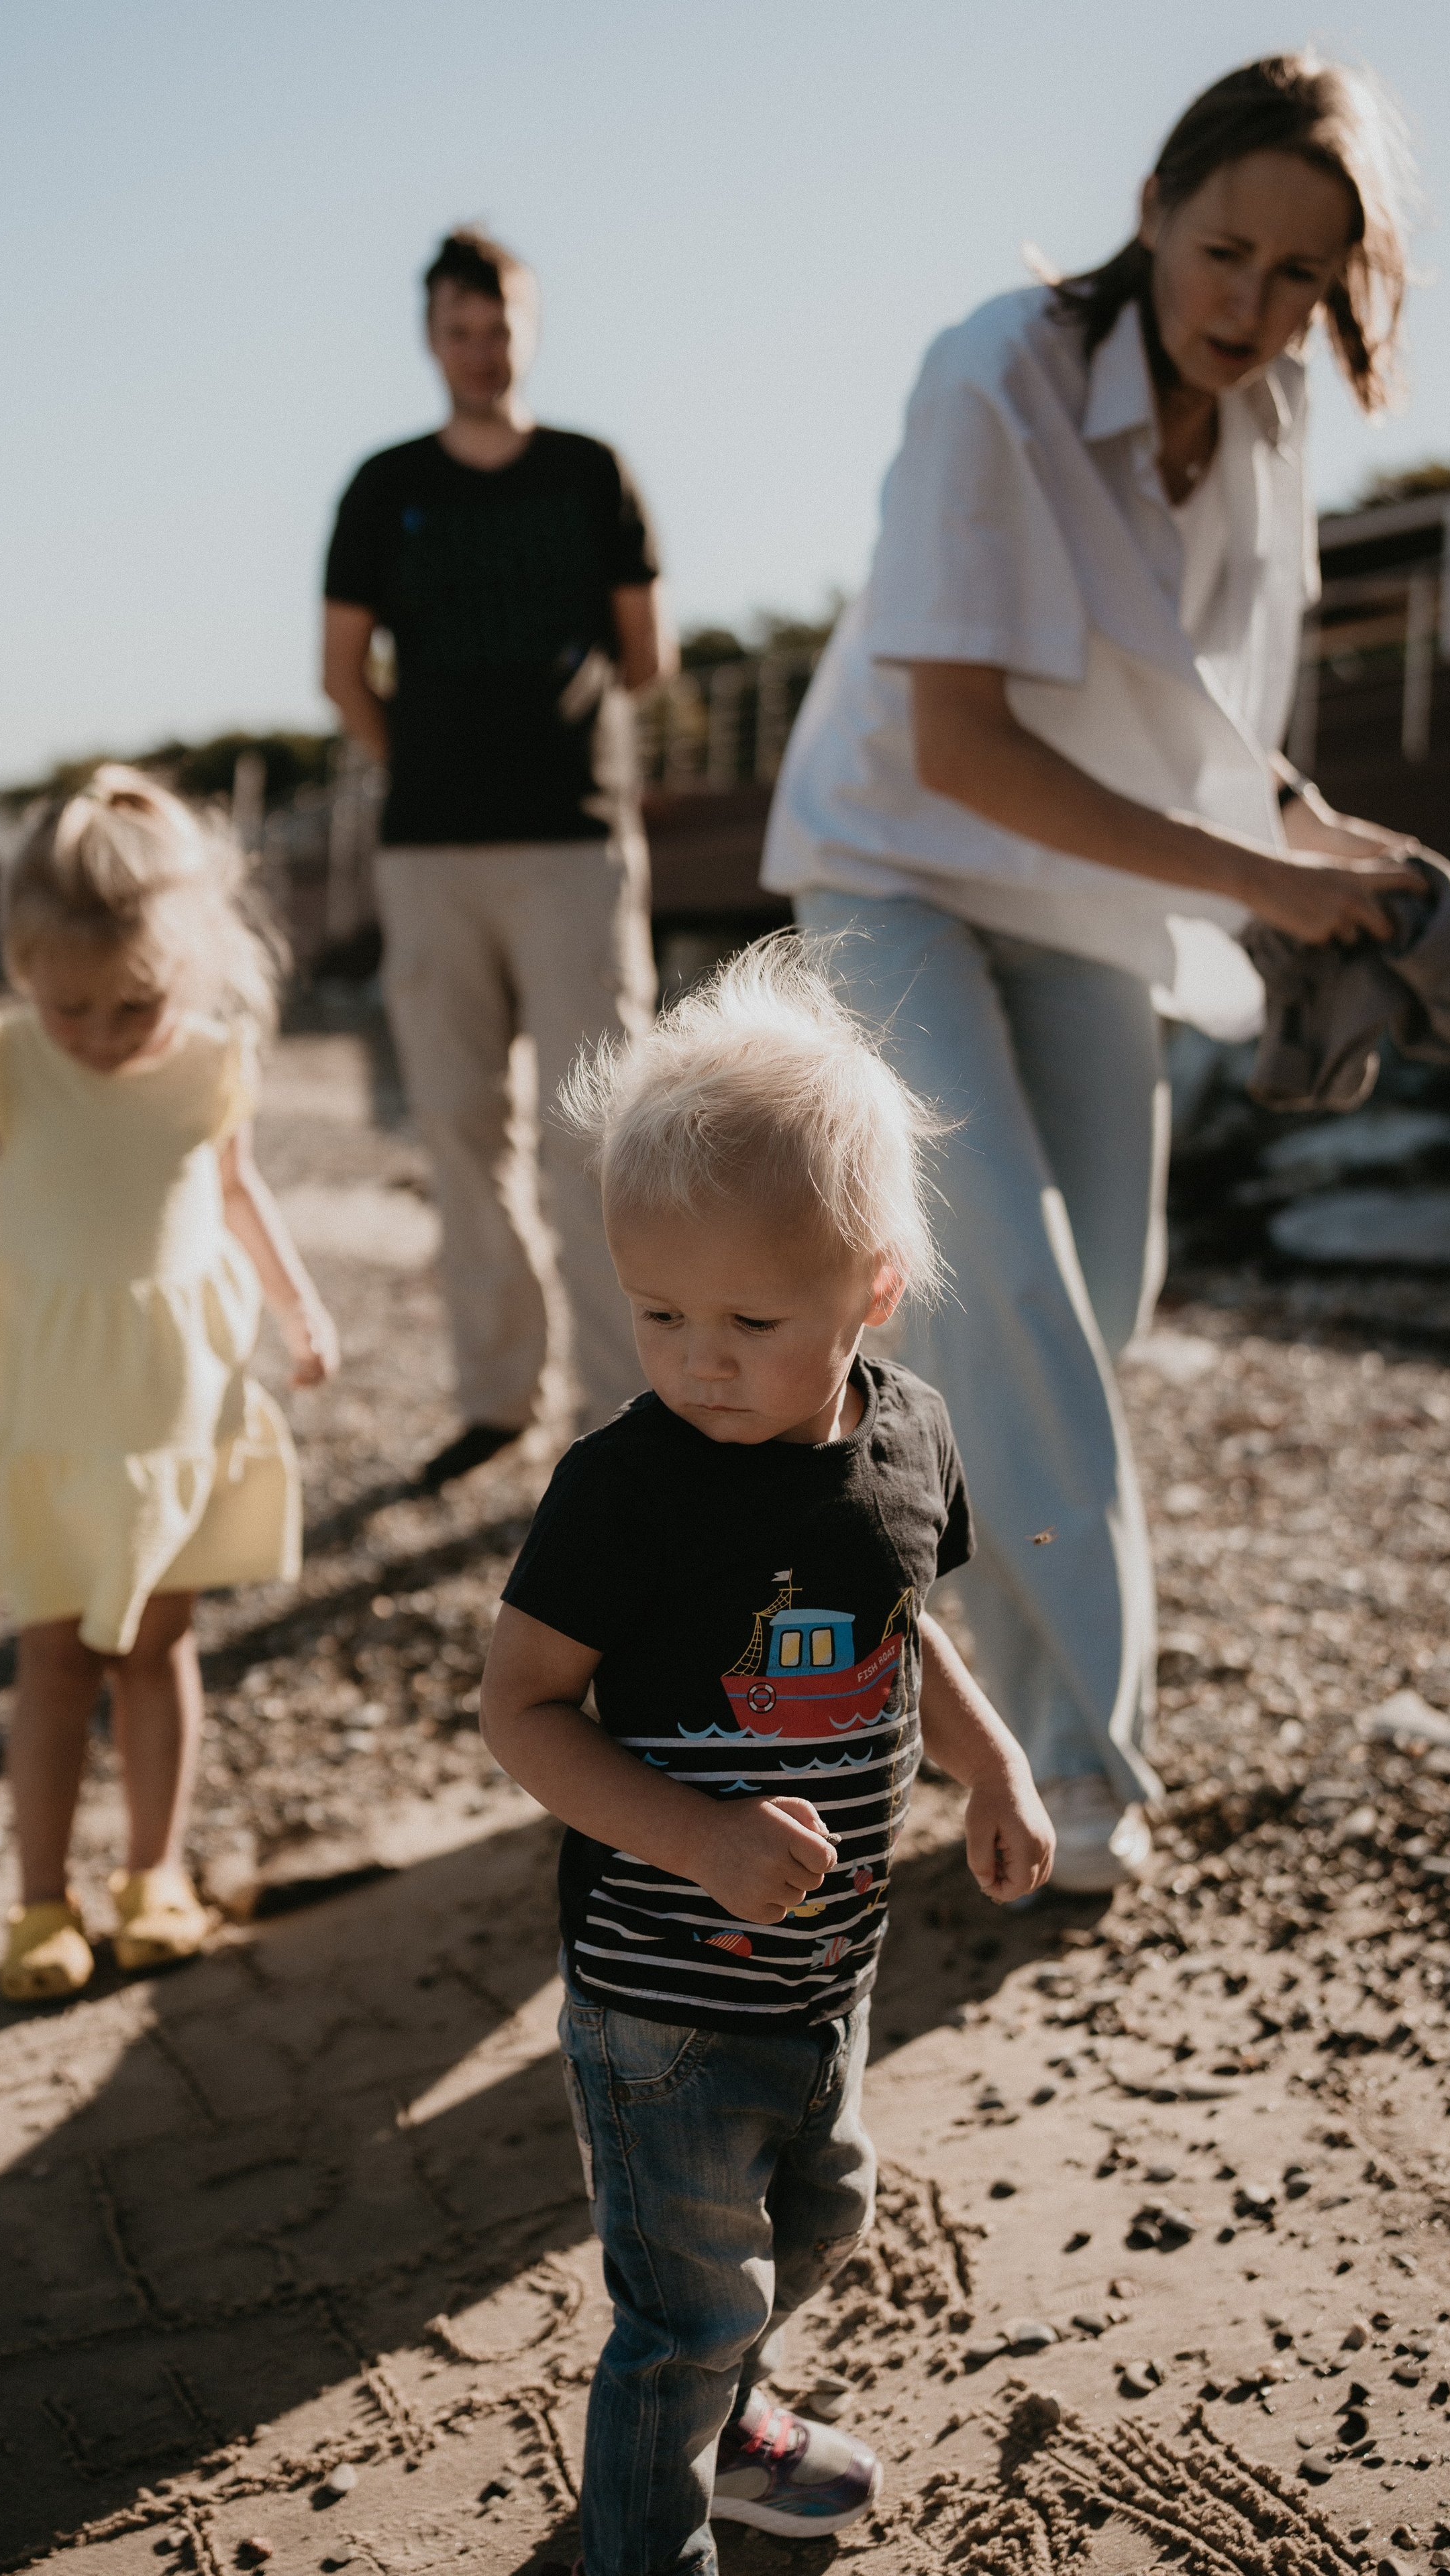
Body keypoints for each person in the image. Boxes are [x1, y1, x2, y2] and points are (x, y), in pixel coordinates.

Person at [762, 53, 1425, 1892]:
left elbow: (1201, 719)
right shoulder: (995, 373)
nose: (1256, 309)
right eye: (1228, 254)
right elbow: (963, 749)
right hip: (899, 867)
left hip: (1088, 897)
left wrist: (1319, 834)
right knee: (1021, 1315)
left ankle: (859, 1646)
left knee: (1087, 1312)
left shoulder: (1272, 418)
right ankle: (1077, 1785)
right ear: (1154, 210)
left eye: (1304, 279)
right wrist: (1259, 889)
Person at [480, 943, 1053, 2575]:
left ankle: (731, 2436)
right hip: (660, 1999)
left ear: (870, 1289)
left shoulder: (906, 1438)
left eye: (748, 1318)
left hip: (826, 1976)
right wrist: (694, 1838)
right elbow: (518, 1710)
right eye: (655, 1312)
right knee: (678, 2308)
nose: (696, 1360)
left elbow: (897, 1634)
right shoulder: (622, 1489)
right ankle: (642, 2542)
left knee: (815, 2222)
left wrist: (993, 1764)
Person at [0, 767, 339, 2001]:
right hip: (56, 1418)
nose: (96, 1034)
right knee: (53, 1660)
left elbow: (238, 1194)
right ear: (22, 969)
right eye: (69, 1003)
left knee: (160, 1650)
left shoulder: (213, 1064)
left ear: (189, 965)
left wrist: (298, 1308)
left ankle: (154, 1876)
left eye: (131, 1004)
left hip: (184, 1403)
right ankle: (41, 1902)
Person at [321, 225, 675, 1485]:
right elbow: (340, 671)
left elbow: (648, 654)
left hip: (575, 841)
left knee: (598, 1129)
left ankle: (625, 1410)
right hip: (431, 852)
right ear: (433, 339)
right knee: (462, 1127)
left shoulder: (589, 474)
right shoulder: (381, 487)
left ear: (530, 331)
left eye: (502, 328)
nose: (483, 350)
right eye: (460, 330)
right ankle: (494, 1395)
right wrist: (422, 757)